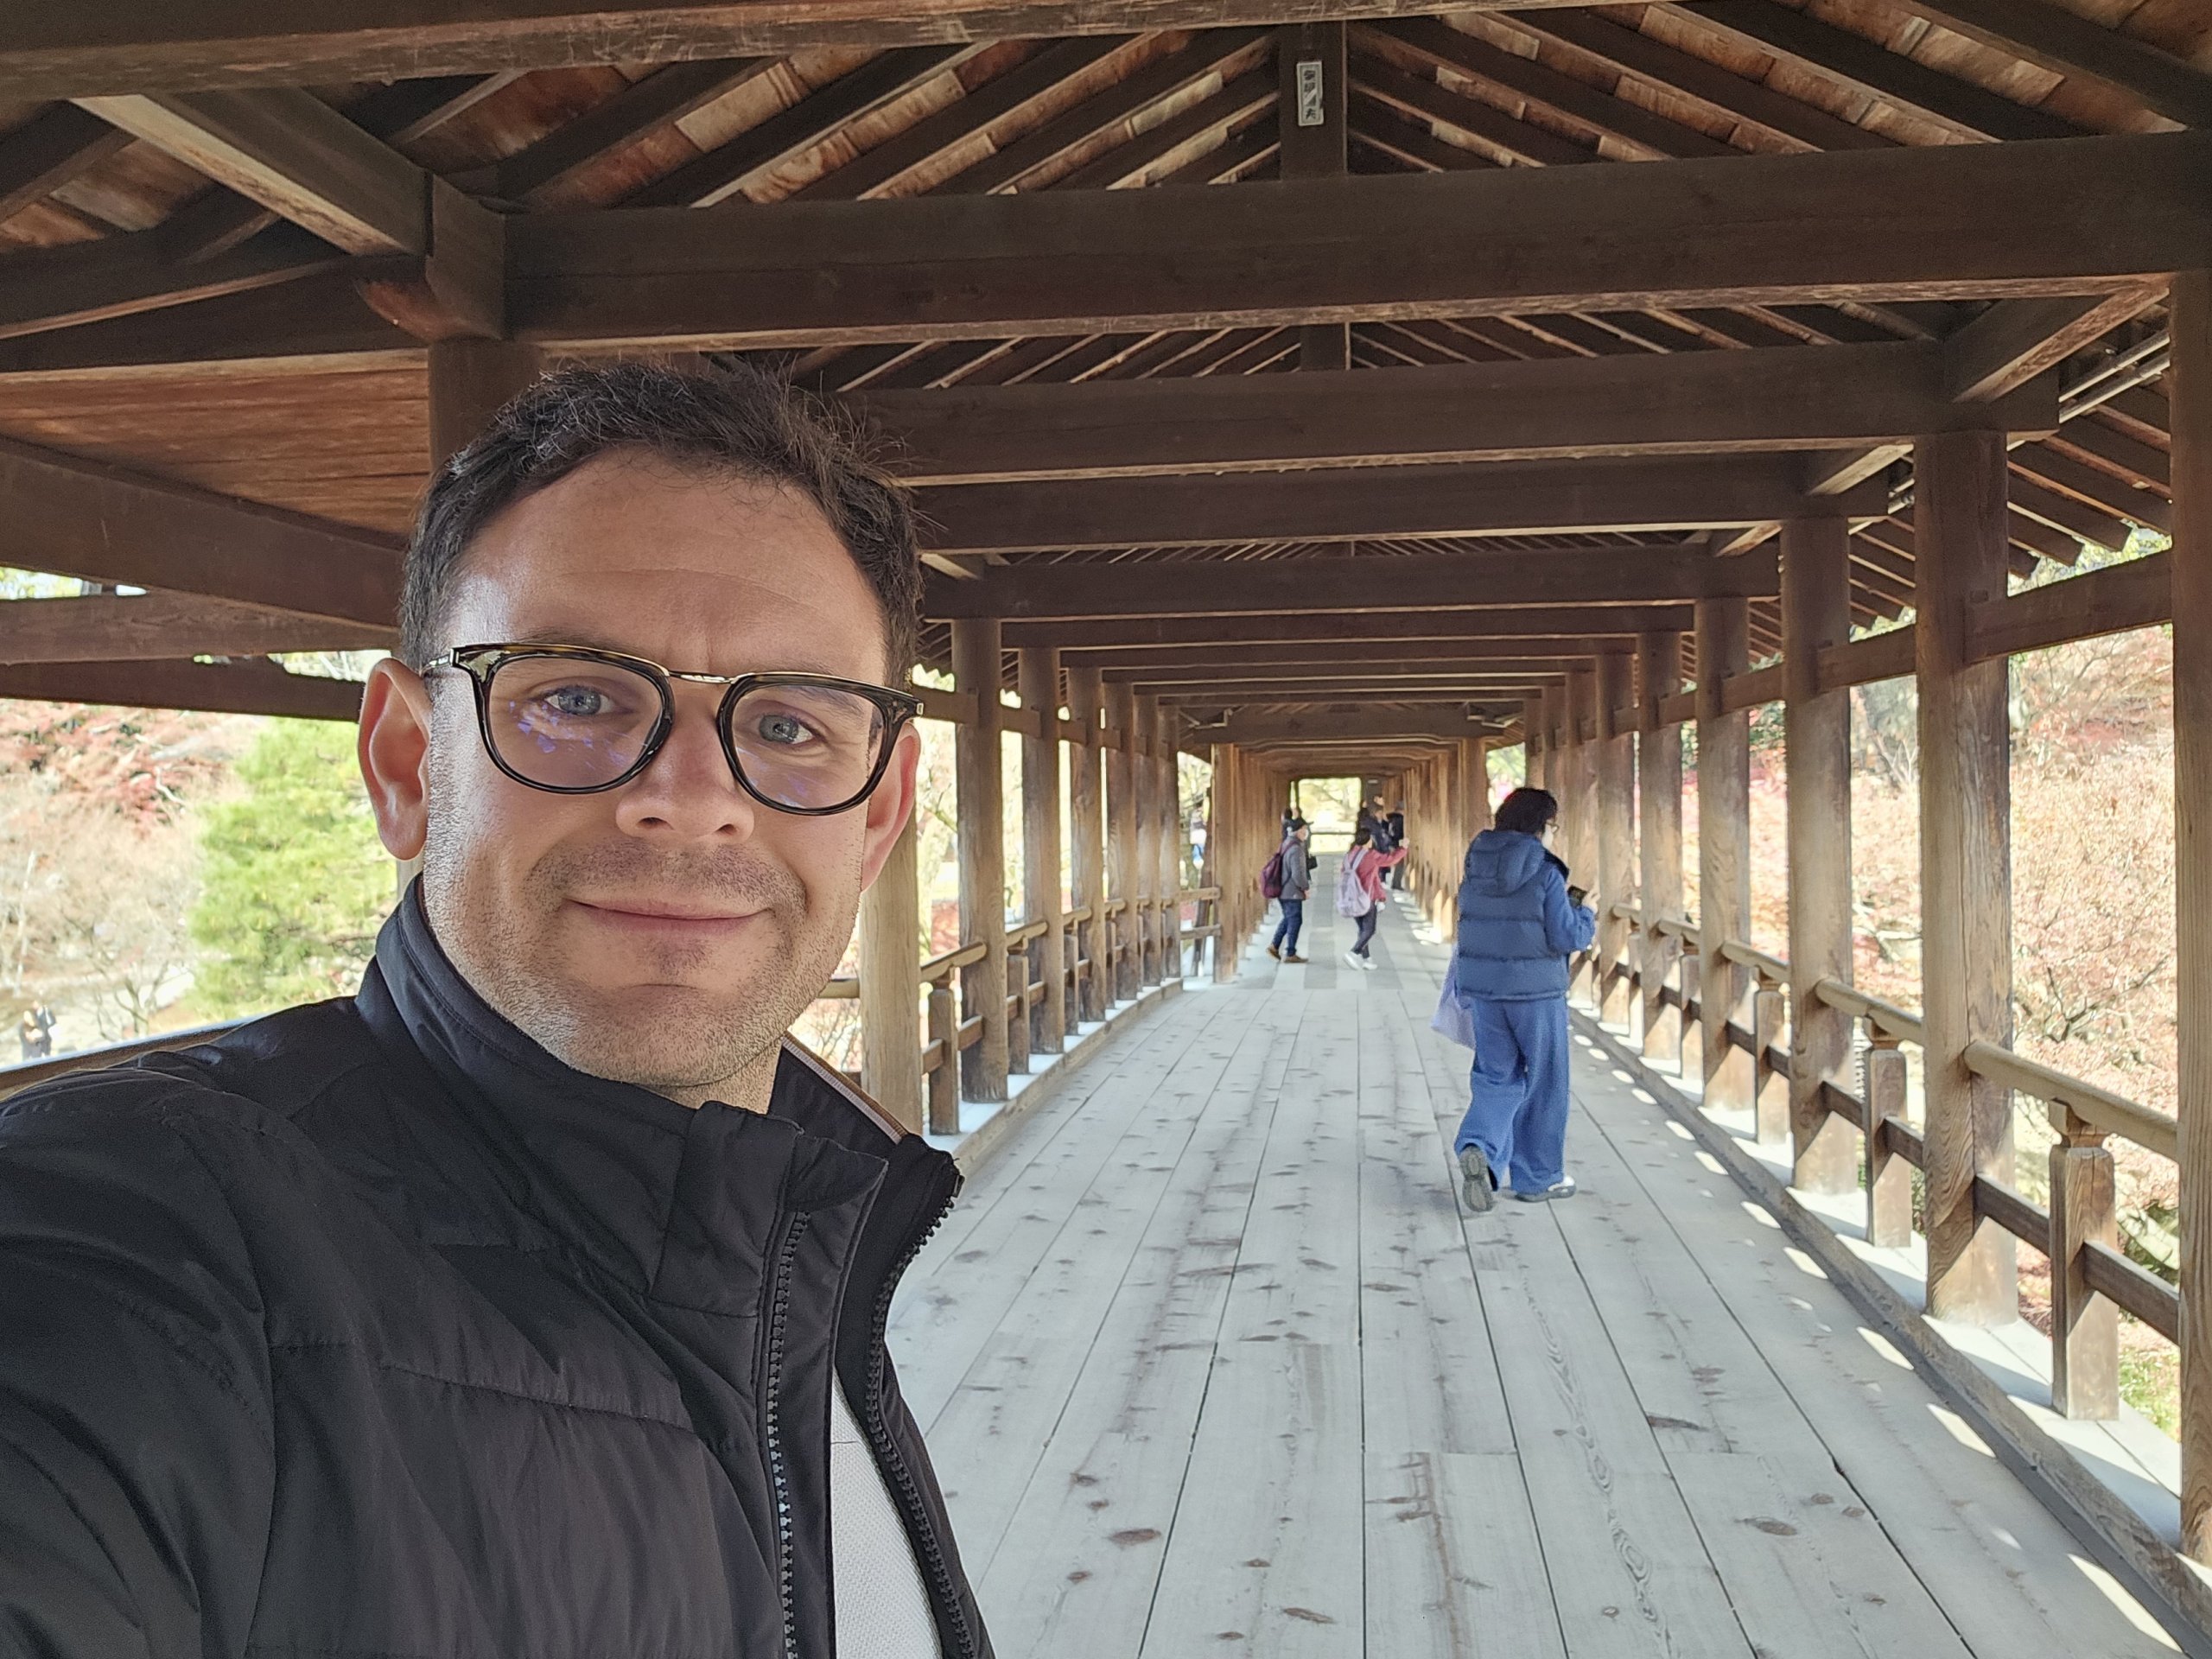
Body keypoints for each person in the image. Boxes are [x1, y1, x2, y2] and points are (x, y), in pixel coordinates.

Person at [0, 365, 992, 1659]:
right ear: (408, 763)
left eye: (794, 726)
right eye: (575, 698)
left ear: (879, 814)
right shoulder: (154, 1236)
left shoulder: (806, 1247)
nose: (695, 799)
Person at [1451, 787, 1596, 1211]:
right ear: (1543, 826)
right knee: (1546, 1082)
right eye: (1554, 826)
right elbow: (1567, 936)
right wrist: (1587, 913)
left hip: (1486, 993)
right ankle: (1538, 1177)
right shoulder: (1546, 873)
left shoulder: (1476, 864)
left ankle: (1480, 1147)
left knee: (1496, 1077)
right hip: (1536, 995)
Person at [1339, 823, 1405, 970]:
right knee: (1369, 930)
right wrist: (1403, 848)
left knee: (1363, 929)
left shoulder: (1349, 855)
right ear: (1367, 840)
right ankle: (1353, 952)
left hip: (1351, 898)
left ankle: (1367, 959)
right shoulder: (1370, 856)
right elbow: (1390, 859)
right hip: (1366, 898)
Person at [1268, 816, 1313, 964]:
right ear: (1298, 831)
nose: (1306, 832)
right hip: (1291, 891)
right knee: (1295, 920)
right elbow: (1297, 874)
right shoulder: (1296, 848)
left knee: (1289, 918)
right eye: (1304, 829)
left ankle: (1274, 946)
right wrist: (1305, 888)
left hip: (1283, 888)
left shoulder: (1286, 843)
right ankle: (1290, 952)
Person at [1387, 801, 1408, 889]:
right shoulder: (1400, 819)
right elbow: (1399, 833)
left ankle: (1395, 882)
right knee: (1400, 863)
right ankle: (1396, 884)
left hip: (1392, 842)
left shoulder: (1392, 819)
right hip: (1398, 843)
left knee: (1397, 863)